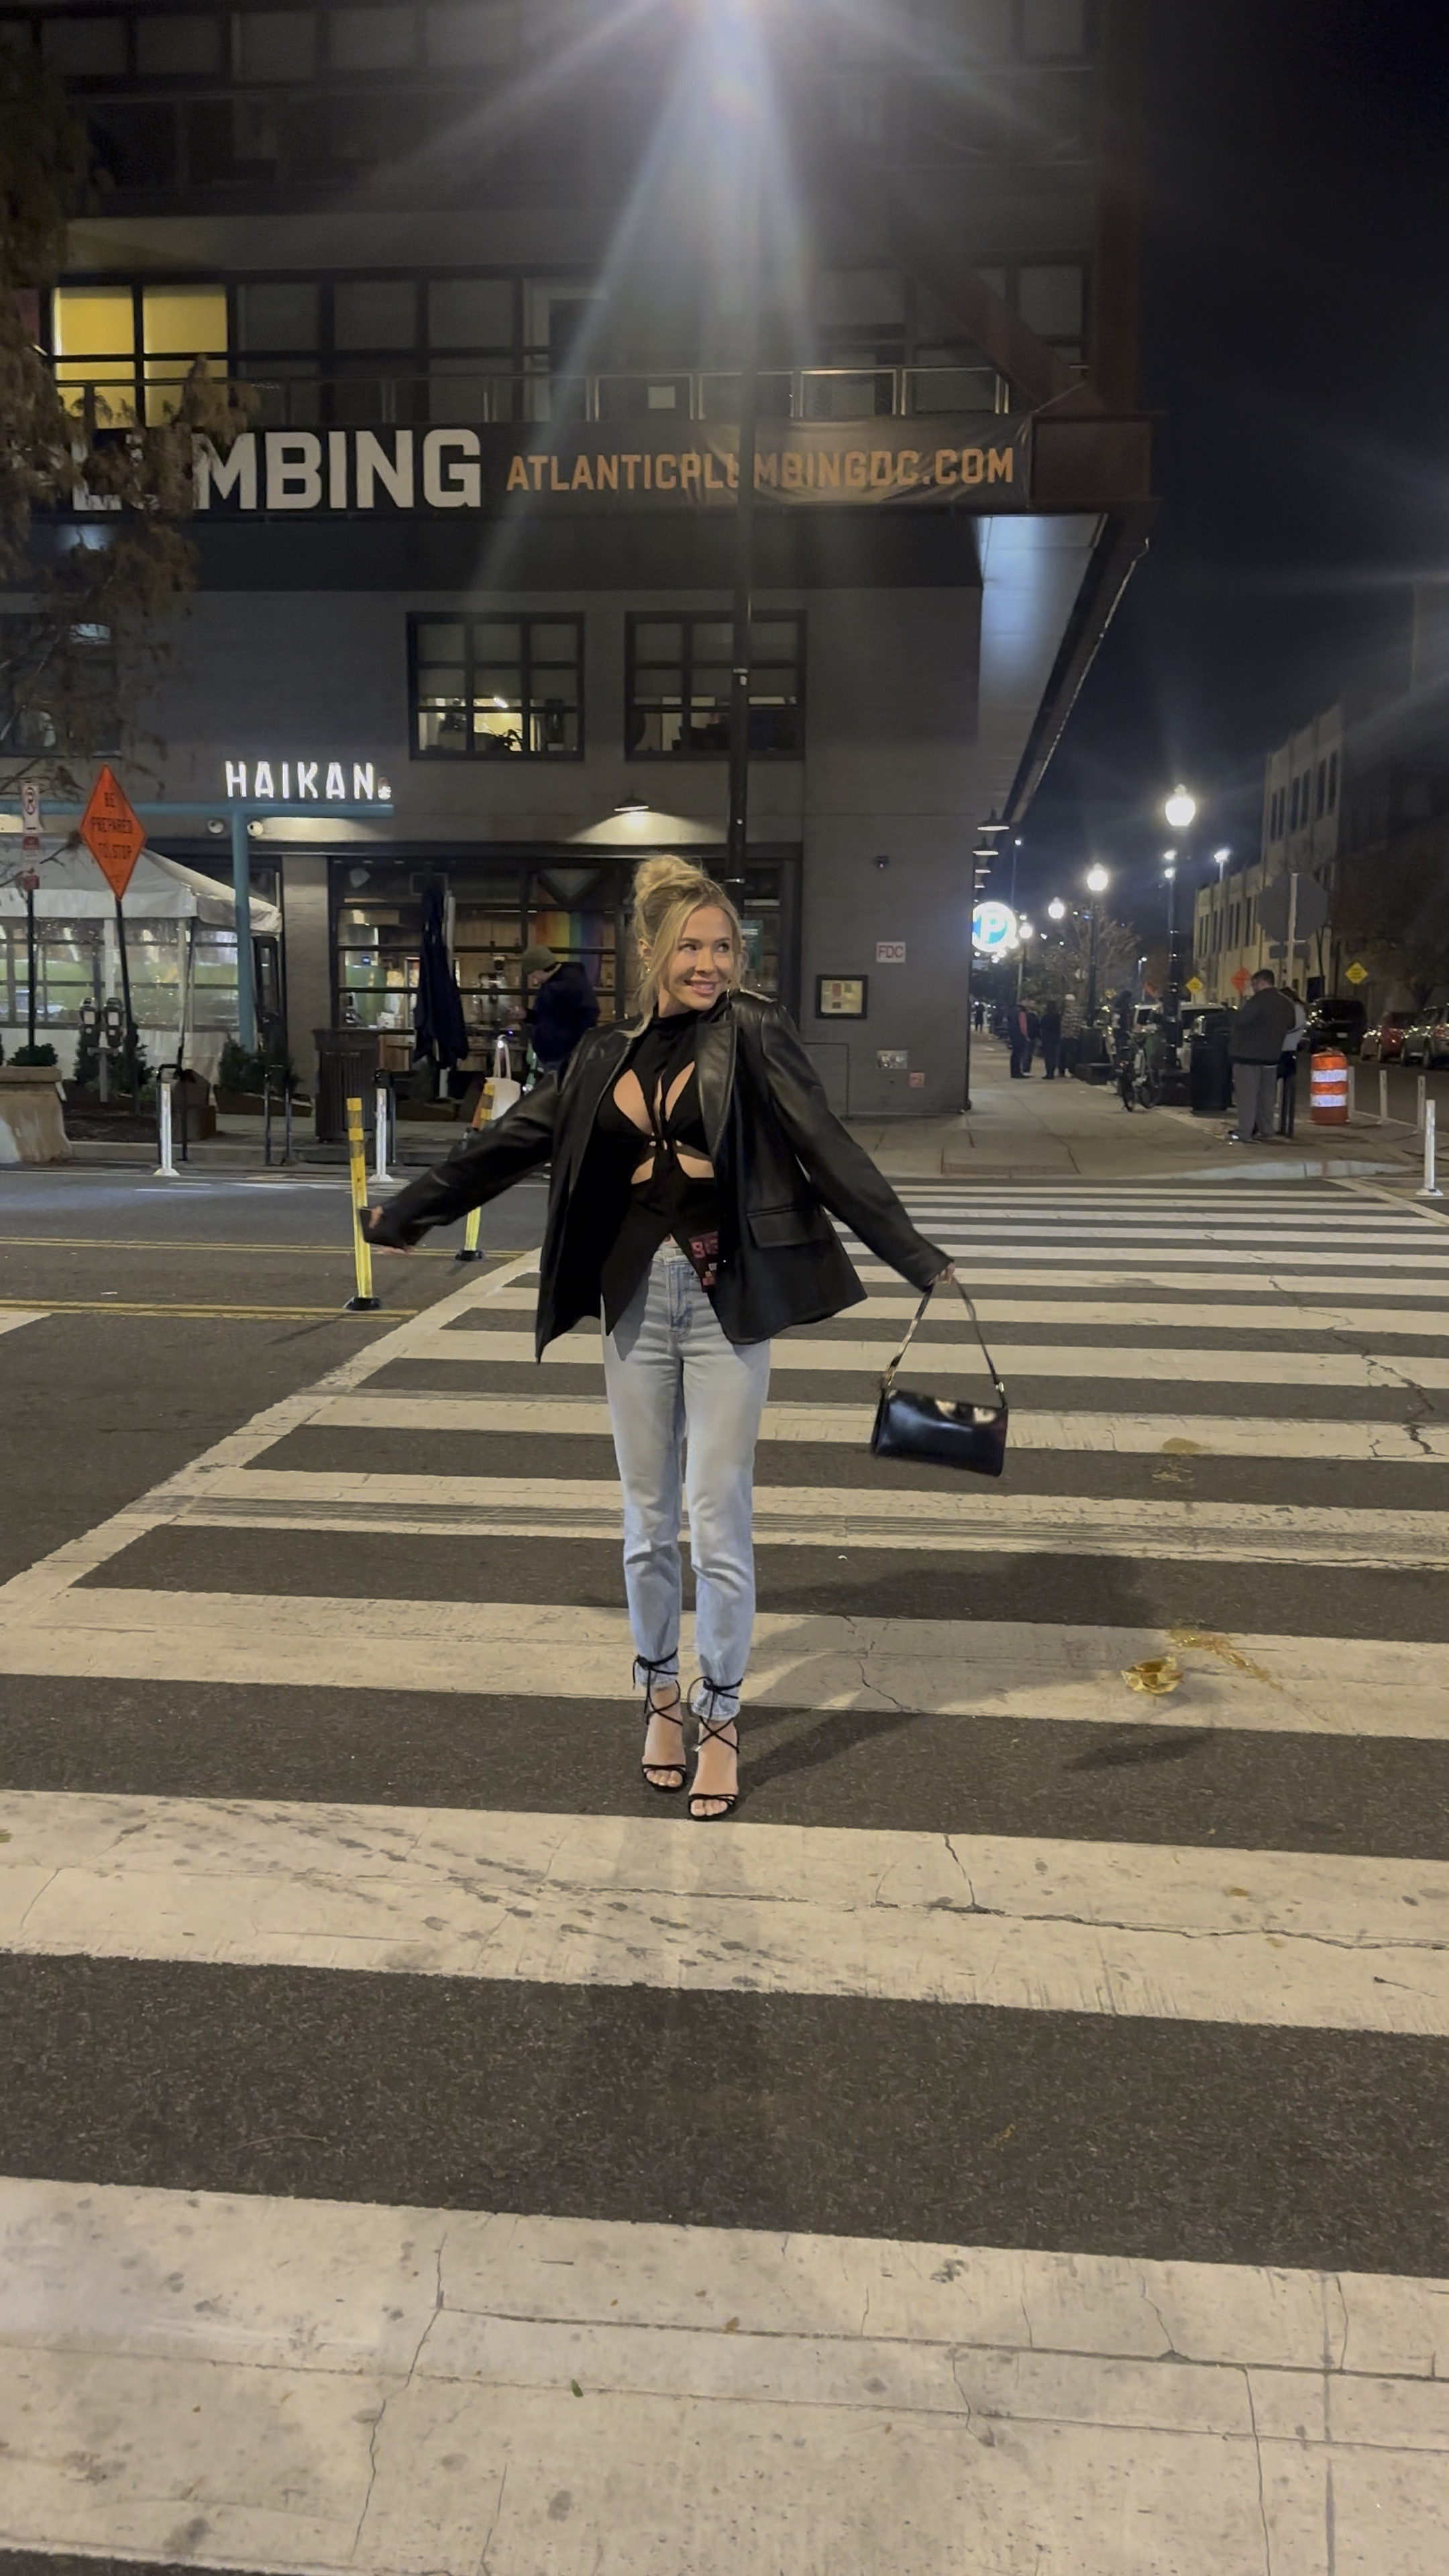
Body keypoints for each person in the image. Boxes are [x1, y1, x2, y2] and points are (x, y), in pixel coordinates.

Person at [368, 856, 951, 1822]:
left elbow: (826, 1147)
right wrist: (414, 1209)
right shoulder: (603, 1052)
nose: (709, 964)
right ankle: (661, 1701)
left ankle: (721, 1716)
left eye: (723, 948)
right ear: (650, 951)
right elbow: (517, 1138)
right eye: (691, 946)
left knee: (717, 1518)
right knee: (646, 1525)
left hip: (727, 1301)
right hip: (636, 1299)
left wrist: (915, 1254)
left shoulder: (754, 1033)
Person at [1229, 967, 1297, 1142]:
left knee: (1247, 1096)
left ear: (1262, 982)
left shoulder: (1258, 1000)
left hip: (1248, 1055)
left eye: (1255, 985)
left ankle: (1245, 1131)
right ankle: (1267, 1129)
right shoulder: (1286, 1003)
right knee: (1267, 1096)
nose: (1253, 988)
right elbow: (1291, 1024)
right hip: (1272, 1056)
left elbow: (1241, 1020)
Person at [522, 943, 599, 1075]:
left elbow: (589, 1013)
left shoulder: (570, 983)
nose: (535, 981)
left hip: (563, 1058)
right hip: (556, 1057)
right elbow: (549, 1017)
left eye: (535, 975)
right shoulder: (554, 983)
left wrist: (577, 1048)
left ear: (541, 968)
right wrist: (527, 1015)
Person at [1008, 1000, 1036, 1077]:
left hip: (1013, 1035)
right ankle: (1017, 1072)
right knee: (1019, 1055)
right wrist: (1026, 1036)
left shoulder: (1013, 1011)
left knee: (1014, 1054)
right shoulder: (1022, 1012)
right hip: (1020, 1036)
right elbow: (1023, 1026)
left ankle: (1013, 1072)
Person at [1059, 991, 1083, 1077]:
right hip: (1066, 1036)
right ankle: (1063, 1070)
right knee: (1064, 1055)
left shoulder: (1074, 1012)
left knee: (1071, 1055)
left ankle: (1071, 1071)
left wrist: (1070, 1034)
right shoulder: (1067, 1011)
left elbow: (1074, 1025)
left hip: (1071, 1037)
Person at [1038, 999, 1063, 1079]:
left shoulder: (1046, 1017)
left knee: (1048, 1056)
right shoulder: (1058, 1017)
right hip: (1056, 1038)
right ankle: (1052, 1071)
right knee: (1054, 1056)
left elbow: (1041, 1026)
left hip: (1047, 1038)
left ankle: (1048, 1072)